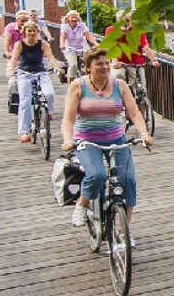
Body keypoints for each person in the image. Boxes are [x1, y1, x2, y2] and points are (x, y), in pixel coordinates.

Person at [61, 48, 152, 230]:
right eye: (99, 64)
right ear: (88, 68)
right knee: (97, 175)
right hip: (87, 140)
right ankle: (82, 203)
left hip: (116, 138)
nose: (104, 67)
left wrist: (144, 133)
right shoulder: (78, 86)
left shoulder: (120, 85)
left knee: (127, 180)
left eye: (106, 63)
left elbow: (134, 112)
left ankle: (123, 231)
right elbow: (68, 118)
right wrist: (67, 139)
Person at [7, 20, 60, 142]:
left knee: (49, 94)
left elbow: (50, 57)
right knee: (25, 102)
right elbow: (14, 59)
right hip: (24, 74)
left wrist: (57, 68)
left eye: (34, 31)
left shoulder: (43, 44)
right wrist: (11, 72)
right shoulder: (20, 44)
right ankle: (24, 131)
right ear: (24, 32)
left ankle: (48, 113)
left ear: (37, 32)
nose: (31, 33)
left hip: (40, 73)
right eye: (29, 31)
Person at [110, 13, 159, 92]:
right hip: (120, 63)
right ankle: (118, 99)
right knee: (117, 76)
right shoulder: (111, 30)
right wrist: (115, 62)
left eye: (127, 20)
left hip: (136, 63)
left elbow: (145, 47)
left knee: (142, 90)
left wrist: (153, 60)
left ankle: (142, 102)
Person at [58, 9, 95, 80]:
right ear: (68, 19)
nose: (74, 19)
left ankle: (89, 79)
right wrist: (62, 44)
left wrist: (95, 43)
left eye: (75, 17)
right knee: (73, 65)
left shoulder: (82, 25)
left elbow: (89, 36)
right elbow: (63, 36)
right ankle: (71, 83)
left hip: (82, 47)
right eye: (72, 17)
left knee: (90, 62)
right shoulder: (65, 26)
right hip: (70, 48)